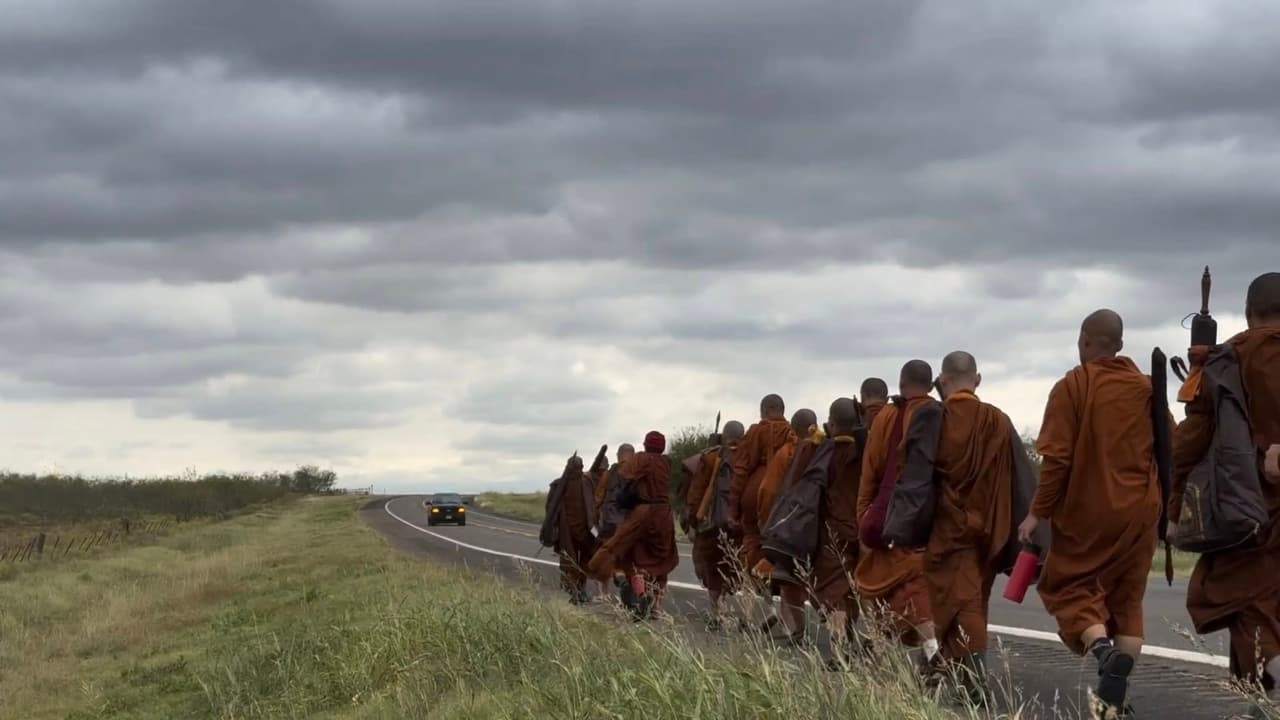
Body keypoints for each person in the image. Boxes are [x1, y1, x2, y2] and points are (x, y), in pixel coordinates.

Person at [1018, 309, 1161, 716]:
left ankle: (1100, 649)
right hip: (1141, 512)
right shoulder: (1146, 388)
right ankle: (1113, 694)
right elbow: (1170, 447)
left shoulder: (1072, 387)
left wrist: (1036, 513)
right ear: (1118, 344)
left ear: (1084, 341)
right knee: (1128, 599)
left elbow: (1057, 461)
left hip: (1089, 511)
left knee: (1068, 586)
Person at [1175, 272, 1280, 707]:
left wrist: (1173, 504)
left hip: (1246, 507)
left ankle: (1264, 693)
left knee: (1251, 604)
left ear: (1247, 313)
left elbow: (1191, 439)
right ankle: (1257, 701)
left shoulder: (1228, 359)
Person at [926, 351, 1025, 701]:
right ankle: (962, 679)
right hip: (989, 526)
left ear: (942, 380)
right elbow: (1020, 478)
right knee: (972, 600)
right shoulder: (997, 420)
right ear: (978, 380)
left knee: (961, 604)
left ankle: (972, 681)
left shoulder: (935, 419)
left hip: (946, 528)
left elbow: (919, 476)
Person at [856, 360, 940, 666]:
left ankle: (932, 649)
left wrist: (863, 516)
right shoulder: (944, 415)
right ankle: (881, 646)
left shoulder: (889, 416)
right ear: (931, 386)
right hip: (936, 519)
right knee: (913, 583)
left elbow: (872, 471)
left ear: (901, 384)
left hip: (893, 516)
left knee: (901, 586)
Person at [588, 431, 680, 621]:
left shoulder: (640, 459)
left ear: (645, 445)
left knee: (635, 558)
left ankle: (639, 596)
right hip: (664, 515)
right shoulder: (666, 462)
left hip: (642, 513)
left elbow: (624, 474)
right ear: (662, 447)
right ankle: (656, 607)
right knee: (662, 562)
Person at [809, 397, 868, 664]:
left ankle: (839, 649)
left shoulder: (826, 452)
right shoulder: (867, 449)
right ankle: (852, 637)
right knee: (854, 587)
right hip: (864, 530)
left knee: (834, 591)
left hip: (834, 529)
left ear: (832, 423)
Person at [752, 408, 819, 642]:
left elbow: (768, 490)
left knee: (785, 576)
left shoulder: (788, 452)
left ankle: (795, 628)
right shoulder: (825, 449)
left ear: (793, 428)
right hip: (821, 523)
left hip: (790, 524)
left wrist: (767, 523)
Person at [685, 421, 746, 629]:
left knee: (712, 569)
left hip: (711, 524)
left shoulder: (711, 457)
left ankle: (716, 613)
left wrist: (692, 520)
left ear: (724, 436)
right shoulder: (748, 457)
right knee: (735, 567)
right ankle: (734, 611)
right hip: (739, 525)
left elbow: (697, 491)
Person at [544, 454, 599, 605]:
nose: (578, 470)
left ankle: (580, 589)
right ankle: (573, 591)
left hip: (586, 529)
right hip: (566, 530)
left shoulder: (587, 482)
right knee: (569, 561)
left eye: (580, 467)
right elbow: (550, 509)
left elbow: (594, 503)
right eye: (575, 467)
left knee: (585, 561)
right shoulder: (558, 486)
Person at [593, 443, 635, 599]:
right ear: (633, 454)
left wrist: (595, 517)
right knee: (628, 559)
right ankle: (628, 595)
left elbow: (598, 498)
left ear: (618, 455)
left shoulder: (609, 474)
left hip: (609, 523)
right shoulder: (636, 473)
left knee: (604, 555)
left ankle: (602, 593)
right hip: (629, 524)